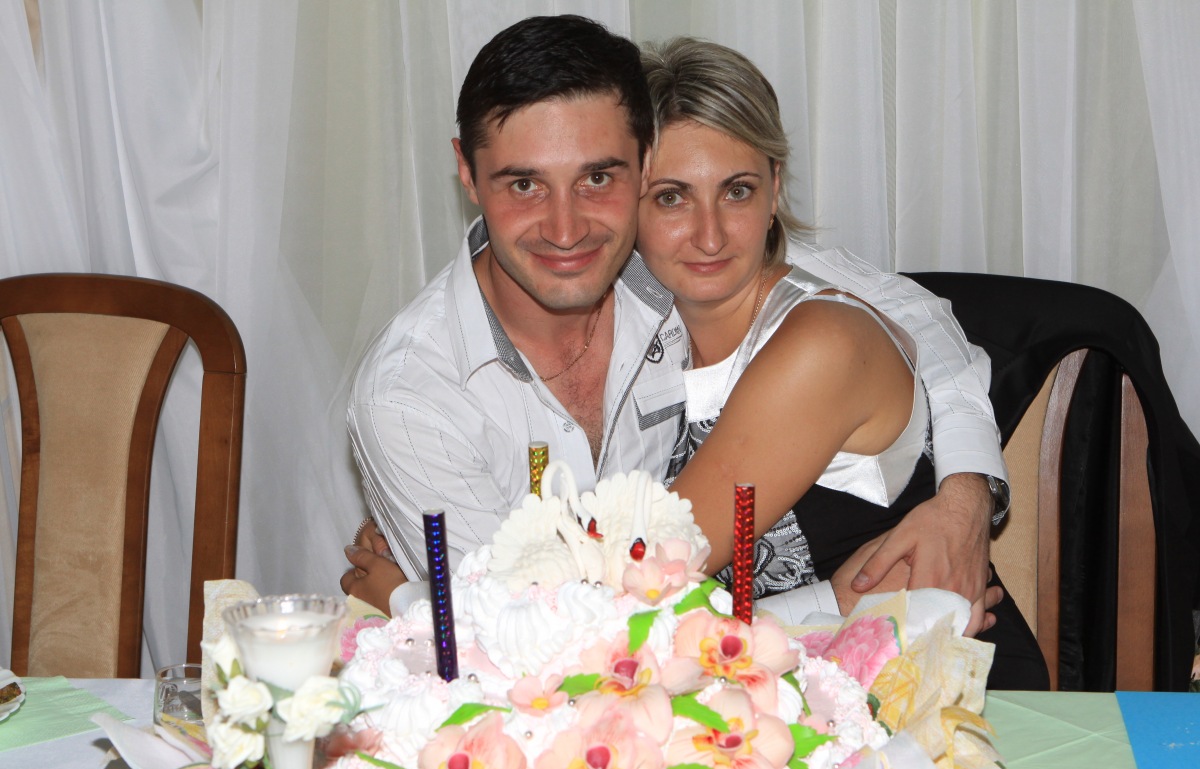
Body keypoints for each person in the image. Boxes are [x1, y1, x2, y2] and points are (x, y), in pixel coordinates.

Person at [343, 16, 1018, 651]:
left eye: (737, 190)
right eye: (671, 197)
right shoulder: (429, 389)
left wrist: (966, 492)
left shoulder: (804, 334)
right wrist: (444, 605)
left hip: (921, 673)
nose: (709, 235)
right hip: (730, 683)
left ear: (773, 189)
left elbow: (916, 314)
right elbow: (554, 635)